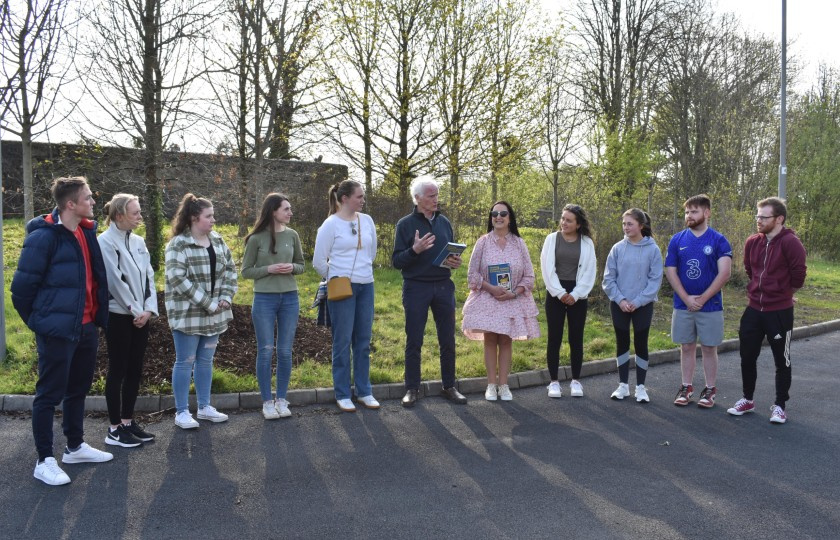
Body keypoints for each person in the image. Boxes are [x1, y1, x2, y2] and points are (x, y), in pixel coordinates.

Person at [11, 176, 113, 486]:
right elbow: (21, 290)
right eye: (88, 198)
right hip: (57, 331)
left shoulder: (86, 232)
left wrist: (95, 318)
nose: (93, 202)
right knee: (48, 395)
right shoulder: (44, 238)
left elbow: (95, 279)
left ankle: (75, 446)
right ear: (70, 204)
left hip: (85, 328)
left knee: (77, 389)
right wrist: (41, 323)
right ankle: (45, 460)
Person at [727, 197, 807, 424]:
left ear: (779, 219)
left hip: (779, 311)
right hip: (753, 309)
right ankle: (747, 399)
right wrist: (757, 291)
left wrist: (781, 293)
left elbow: (798, 277)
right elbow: (750, 270)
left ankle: (780, 406)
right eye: (757, 216)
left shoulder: (791, 243)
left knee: (782, 360)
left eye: (764, 216)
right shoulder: (753, 241)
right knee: (747, 356)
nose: (758, 220)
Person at [392, 177, 467, 407]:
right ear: (417, 198)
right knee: (414, 339)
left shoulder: (444, 221)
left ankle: (449, 386)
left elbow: (450, 251)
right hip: (416, 287)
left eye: (437, 195)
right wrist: (414, 250)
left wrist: (454, 261)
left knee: (448, 339)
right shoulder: (404, 224)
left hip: (444, 286)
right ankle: (412, 388)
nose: (436, 200)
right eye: (431, 196)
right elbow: (396, 261)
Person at [165, 194, 238, 429]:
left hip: (215, 314)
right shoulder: (178, 244)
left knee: (206, 360)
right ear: (195, 218)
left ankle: (205, 407)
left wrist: (226, 296)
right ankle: (182, 412)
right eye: (209, 216)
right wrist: (208, 303)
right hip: (188, 315)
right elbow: (177, 278)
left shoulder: (217, 240)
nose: (213, 220)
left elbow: (230, 269)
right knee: (185, 361)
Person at [462, 201, 540, 401]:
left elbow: (529, 276)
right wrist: (491, 288)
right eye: (494, 213)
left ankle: (504, 385)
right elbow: (472, 274)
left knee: (505, 341)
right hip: (488, 299)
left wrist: (514, 292)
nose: (498, 217)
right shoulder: (483, 242)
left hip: (511, 300)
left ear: (510, 218)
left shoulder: (519, 244)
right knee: (490, 340)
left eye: (503, 213)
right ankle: (491, 385)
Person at [312, 180, 379, 413]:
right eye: (359, 196)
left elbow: (371, 253)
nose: (363, 200)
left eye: (363, 196)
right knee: (342, 342)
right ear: (344, 199)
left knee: (362, 341)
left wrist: (361, 273)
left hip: (366, 286)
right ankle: (342, 393)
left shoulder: (367, 220)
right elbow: (318, 261)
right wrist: (336, 278)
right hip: (342, 289)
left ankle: (364, 391)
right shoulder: (330, 225)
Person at [98, 193, 159, 447]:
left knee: (135, 369)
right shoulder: (105, 241)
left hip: (140, 316)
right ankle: (113, 429)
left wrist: (148, 310)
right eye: (135, 213)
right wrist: (137, 311)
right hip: (119, 316)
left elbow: (149, 277)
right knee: (118, 369)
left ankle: (127, 421)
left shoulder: (138, 241)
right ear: (120, 215)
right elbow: (115, 281)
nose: (140, 216)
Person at [665, 194, 732, 409]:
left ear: (707, 212)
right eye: (686, 212)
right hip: (683, 304)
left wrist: (702, 299)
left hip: (710, 305)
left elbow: (725, 273)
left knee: (709, 348)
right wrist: (686, 298)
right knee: (686, 346)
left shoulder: (718, 240)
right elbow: (670, 270)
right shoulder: (677, 239)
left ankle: (710, 390)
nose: (689, 216)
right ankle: (686, 387)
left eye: (694, 211)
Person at [241, 193, 305, 420]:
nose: (290, 213)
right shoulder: (256, 238)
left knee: (285, 351)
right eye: (286, 209)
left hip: (290, 298)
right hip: (264, 299)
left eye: (290, 209)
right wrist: (269, 269)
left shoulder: (293, 235)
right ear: (273, 211)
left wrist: (291, 268)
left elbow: (301, 265)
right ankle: (267, 402)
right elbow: (246, 271)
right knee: (266, 349)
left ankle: (282, 399)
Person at [602, 208, 663, 403]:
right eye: (624, 224)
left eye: (630, 224)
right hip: (619, 304)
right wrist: (620, 300)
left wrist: (637, 302)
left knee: (641, 343)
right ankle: (622, 386)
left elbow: (655, 281)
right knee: (622, 341)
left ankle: (641, 387)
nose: (626, 227)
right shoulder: (617, 248)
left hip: (642, 305)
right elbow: (608, 279)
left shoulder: (653, 249)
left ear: (641, 225)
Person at [540, 204, 597, 398]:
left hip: (578, 295)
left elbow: (590, 272)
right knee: (554, 337)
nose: (564, 223)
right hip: (556, 293)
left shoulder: (587, 242)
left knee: (576, 338)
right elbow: (547, 269)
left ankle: (576, 381)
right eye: (563, 219)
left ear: (578, 224)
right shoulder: (551, 239)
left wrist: (576, 294)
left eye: (569, 220)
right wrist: (560, 293)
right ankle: (554, 382)